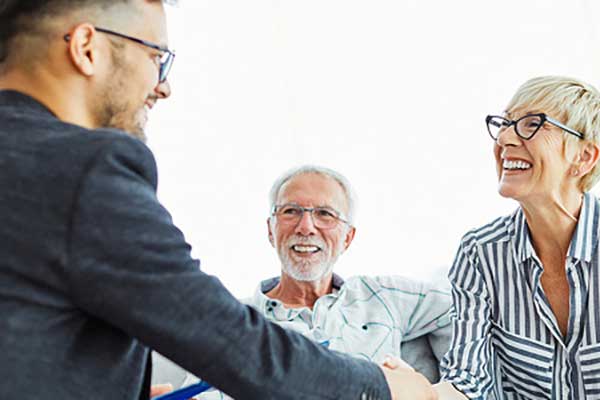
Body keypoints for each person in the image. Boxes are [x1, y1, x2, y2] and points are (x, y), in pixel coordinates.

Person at [0, 1, 438, 399]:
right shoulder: (85, 169)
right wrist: (384, 387)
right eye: (157, 58)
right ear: (86, 47)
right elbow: (234, 345)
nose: (162, 87)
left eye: (324, 214)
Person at [158, 166, 452, 397]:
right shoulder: (234, 319)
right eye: (291, 211)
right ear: (271, 230)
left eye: (324, 214)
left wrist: (438, 391)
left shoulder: (384, 296)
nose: (306, 227)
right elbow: (207, 393)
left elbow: (469, 313)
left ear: (347, 237)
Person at [436, 76, 600, 399]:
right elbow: (465, 383)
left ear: (584, 158)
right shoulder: (480, 254)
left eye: (532, 124)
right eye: (505, 123)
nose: (505, 138)